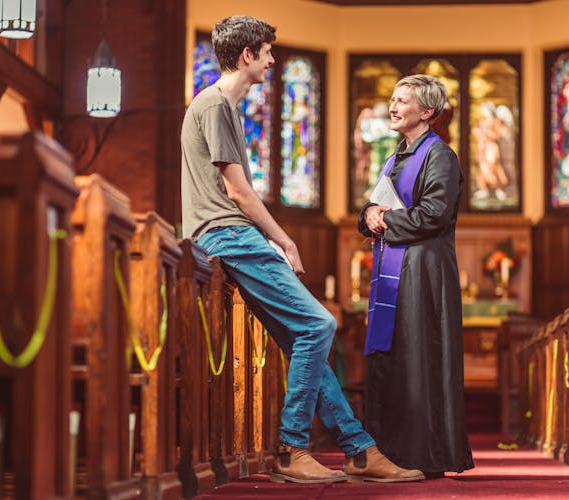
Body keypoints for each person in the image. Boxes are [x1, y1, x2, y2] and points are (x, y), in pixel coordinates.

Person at [181, 15, 424, 484]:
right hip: (228, 234)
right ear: (248, 55)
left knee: (304, 335)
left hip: (233, 234)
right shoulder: (214, 105)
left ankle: (359, 450)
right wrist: (285, 239)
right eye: (268, 52)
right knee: (319, 323)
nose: (272, 60)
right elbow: (238, 193)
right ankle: (292, 448)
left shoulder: (223, 108)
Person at [358, 74, 475, 478]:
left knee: (417, 356)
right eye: (392, 98)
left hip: (423, 272)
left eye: (402, 101)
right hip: (394, 267)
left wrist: (384, 218)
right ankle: (386, 453)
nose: (392, 106)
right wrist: (368, 214)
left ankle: (421, 454)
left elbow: (434, 214)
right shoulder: (395, 157)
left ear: (426, 112)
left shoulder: (440, 156)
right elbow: (376, 205)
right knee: (391, 357)